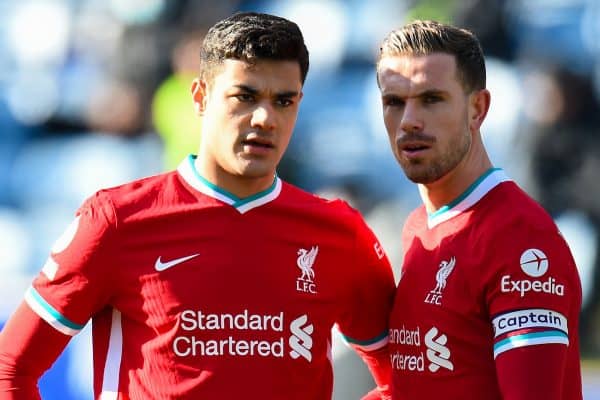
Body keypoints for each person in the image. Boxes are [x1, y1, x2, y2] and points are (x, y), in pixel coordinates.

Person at [0, 12, 395, 399]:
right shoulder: (117, 220)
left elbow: (406, 380)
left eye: (284, 101)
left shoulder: (337, 233)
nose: (265, 118)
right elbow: (11, 368)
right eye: (245, 96)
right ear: (200, 97)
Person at [375, 20, 582, 399]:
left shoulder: (519, 238)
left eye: (431, 99)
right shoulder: (419, 226)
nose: (409, 122)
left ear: (477, 108)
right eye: (394, 102)